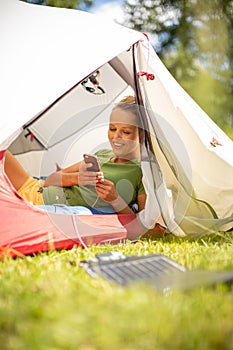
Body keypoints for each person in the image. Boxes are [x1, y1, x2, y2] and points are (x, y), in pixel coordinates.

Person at [5, 96, 146, 215]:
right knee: (2, 148)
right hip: (32, 186)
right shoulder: (102, 155)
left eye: (126, 132)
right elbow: (51, 180)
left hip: (39, 208)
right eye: (112, 129)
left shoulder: (142, 172)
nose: (116, 137)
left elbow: (144, 225)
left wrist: (115, 199)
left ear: (142, 134)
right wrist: (76, 178)